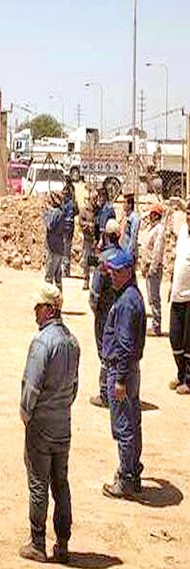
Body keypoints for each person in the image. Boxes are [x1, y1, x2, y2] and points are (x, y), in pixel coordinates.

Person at [19, 283, 79, 564]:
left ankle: (38, 542)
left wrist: (26, 414)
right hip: (63, 424)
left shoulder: (42, 342)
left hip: (42, 424)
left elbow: (32, 386)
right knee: (61, 483)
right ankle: (63, 543)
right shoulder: (72, 342)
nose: (35, 313)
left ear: (50, 309)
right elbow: (74, 386)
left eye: (38, 308)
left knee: (38, 483)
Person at [100, 249, 147, 499]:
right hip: (129, 370)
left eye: (117, 272)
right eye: (112, 272)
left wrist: (118, 380)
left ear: (128, 272)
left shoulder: (127, 302)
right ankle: (132, 471)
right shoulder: (131, 295)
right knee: (132, 422)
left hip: (122, 371)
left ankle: (127, 478)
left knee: (124, 426)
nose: (113, 277)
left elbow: (126, 345)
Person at [90, 219, 121, 408]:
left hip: (104, 313)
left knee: (104, 352)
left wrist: (95, 308)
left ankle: (104, 393)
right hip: (119, 311)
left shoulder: (103, 260)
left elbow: (94, 293)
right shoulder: (124, 256)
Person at [168, 209, 190, 395]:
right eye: (188, 213)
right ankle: (180, 373)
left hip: (189, 298)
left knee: (189, 341)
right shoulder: (183, 231)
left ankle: (189, 380)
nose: (189, 217)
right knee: (175, 338)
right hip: (177, 295)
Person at [142, 204, 166, 337]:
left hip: (154, 268)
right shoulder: (153, 228)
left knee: (155, 297)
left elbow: (157, 251)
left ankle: (157, 326)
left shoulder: (159, 230)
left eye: (151, 214)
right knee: (151, 296)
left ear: (156, 215)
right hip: (148, 267)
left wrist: (152, 267)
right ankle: (154, 324)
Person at [44, 191, 67, 293]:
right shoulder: (61, 212)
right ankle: (59, 300)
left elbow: (49, 225)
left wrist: (46, 214)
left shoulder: (55, 213)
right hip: (59, 247)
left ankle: (49, 300)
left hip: (53, 248)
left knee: (49, 276)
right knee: (58, 276)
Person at [78, 189, 99, 290]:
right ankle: (86, 280)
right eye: (94, 198)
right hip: (87, 239)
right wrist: (88, 225)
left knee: (95, 262)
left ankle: (95, 283)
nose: (95, 200)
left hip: (96, 240)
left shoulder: (98, 210)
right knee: (86, 261)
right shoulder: (84, 210)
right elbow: (80, 222)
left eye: (96, 198)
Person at [118, 192, 141, 275]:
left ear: (130, 205)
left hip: (129, 253)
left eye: (124, 203)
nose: (123, 205)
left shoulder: (134, 218)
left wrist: (128, 254)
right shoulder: (125, 217)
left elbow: (133, 236)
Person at [61, 183, 77, 278]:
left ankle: (66, 270)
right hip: (68, 229)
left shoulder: (67, 204)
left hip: (66, 229)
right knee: (67, 249)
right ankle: (67, 270)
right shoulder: (71, 203)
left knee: (66, 249)